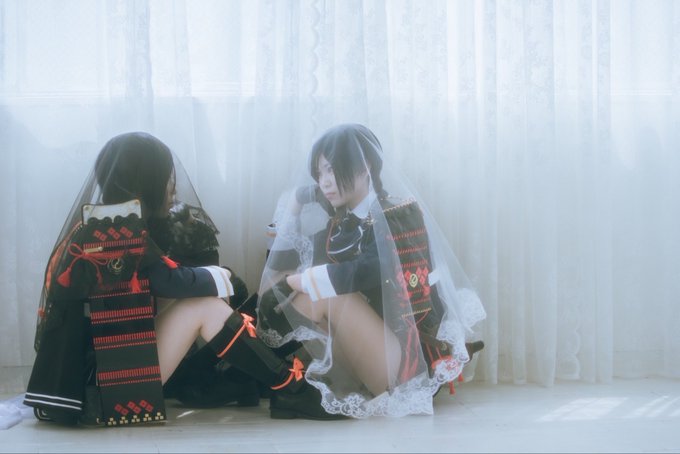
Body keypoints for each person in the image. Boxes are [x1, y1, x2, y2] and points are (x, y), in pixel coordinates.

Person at [23, 131, 341, 425]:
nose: (171, 187)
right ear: (146, 182)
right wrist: (223, 277)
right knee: (204, 306)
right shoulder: (116, 231)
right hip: (99, 393)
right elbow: (170, 281)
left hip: (97, 378)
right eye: (165, 178)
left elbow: (160, 281)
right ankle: (290, 389)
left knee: (199, 303)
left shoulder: (103, 225)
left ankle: (281, 386)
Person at [257, 123, 487, 418]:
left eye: (331, 170)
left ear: (365, 165)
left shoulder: (399, 215)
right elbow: (278, 267)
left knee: (324, 291)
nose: (324, 182)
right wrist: (295, 204)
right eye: (319, 173)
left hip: (406, 364)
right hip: (372, 354)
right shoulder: (341, 225)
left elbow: (370, 269)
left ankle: (270, 375)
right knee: (289, 281)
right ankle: (272, 374)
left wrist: (297, 281)